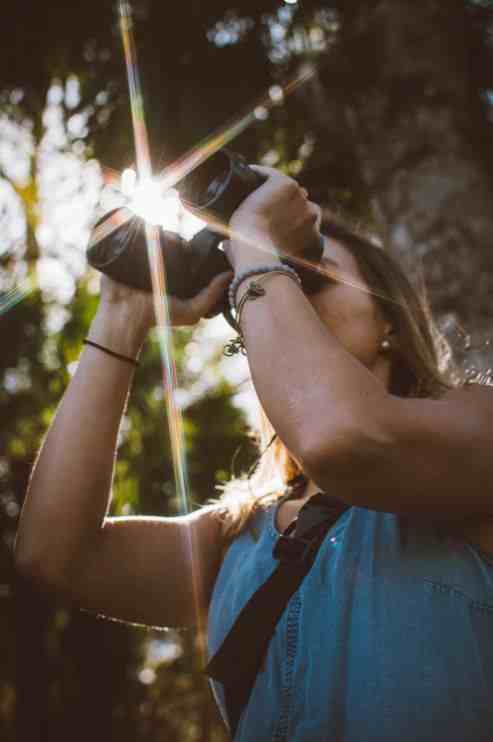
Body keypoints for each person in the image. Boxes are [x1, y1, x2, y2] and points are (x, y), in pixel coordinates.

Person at [15, 166, 493, 741]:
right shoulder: (239, 537)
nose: (279, 296)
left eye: (307, 277)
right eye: (266, 285)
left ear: (389, 318)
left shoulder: (477, 426)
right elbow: (55, 553)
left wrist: (259, 251)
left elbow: (344, 438)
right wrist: (123, 314)